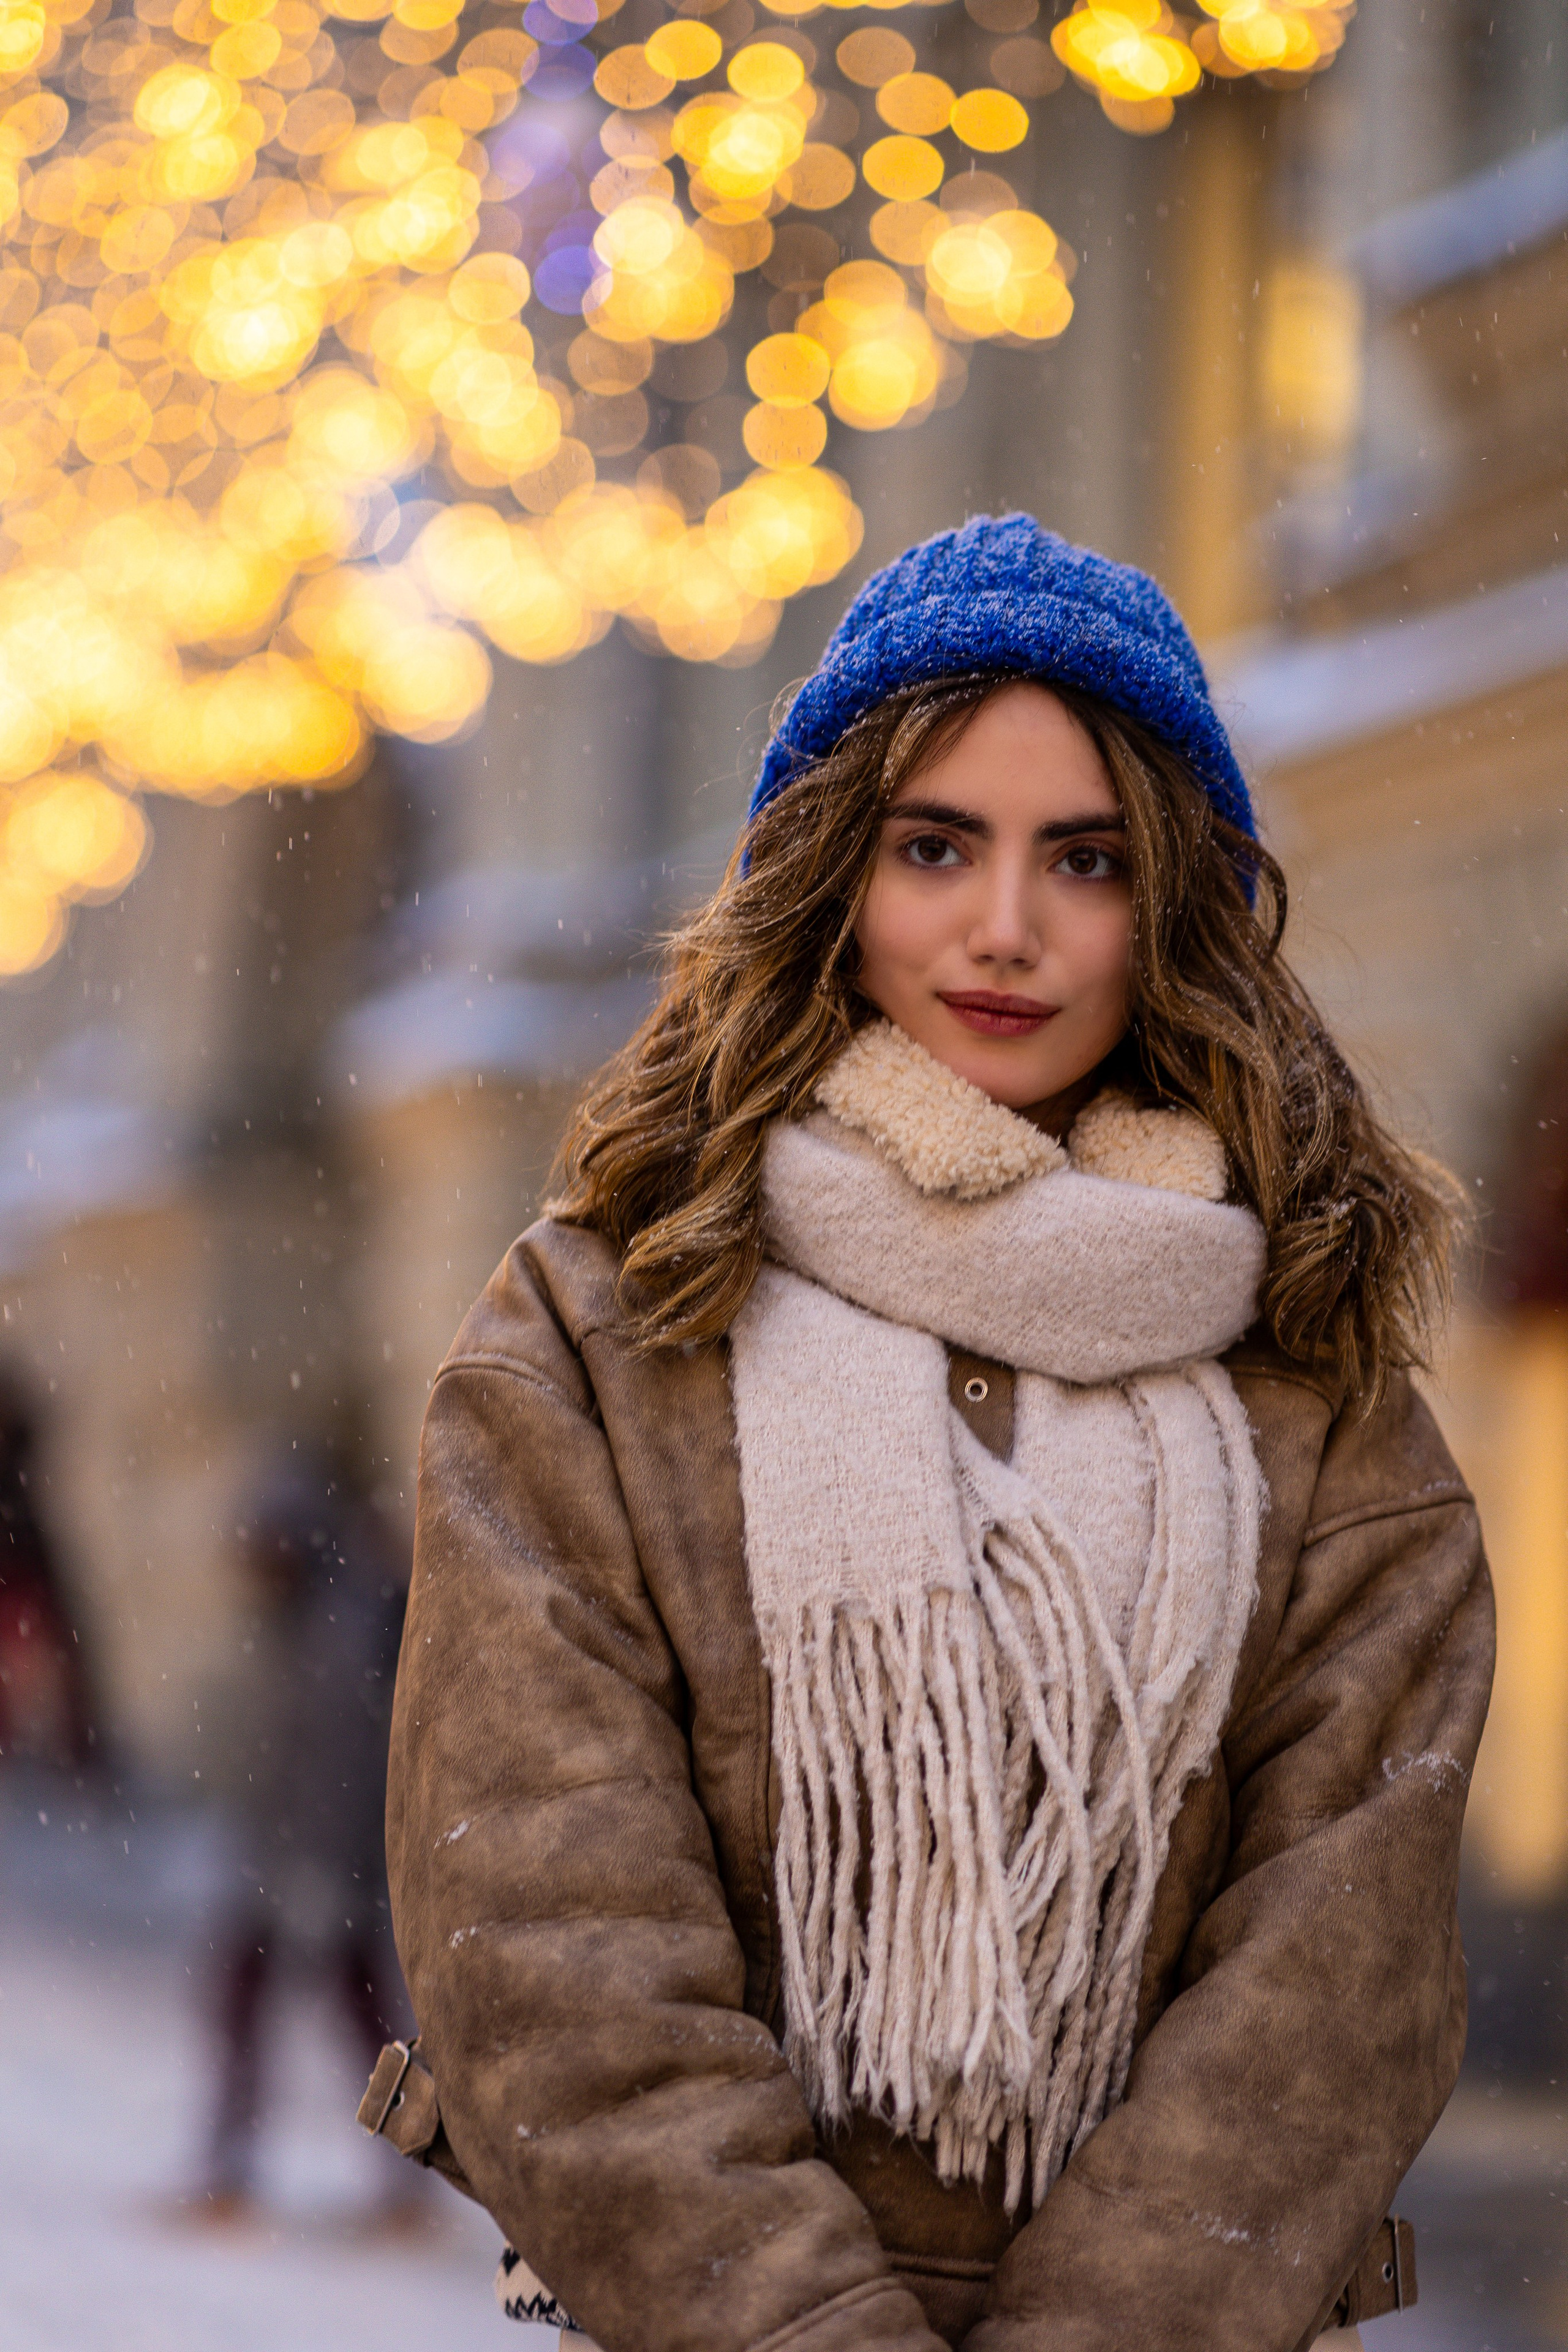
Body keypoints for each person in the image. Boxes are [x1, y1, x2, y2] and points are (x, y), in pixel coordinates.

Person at [374, 518, 1494, 2352]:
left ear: (1173, 908)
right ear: (831, 877)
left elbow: (1327, 1992)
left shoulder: (1317, 1385)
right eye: (931, 846)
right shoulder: (602, 1330)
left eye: (1085, 859)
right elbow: (556, 1946)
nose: (1003, 927)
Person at [200, 1449, 409, 2215]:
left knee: (359, 2018)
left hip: (320, 1867)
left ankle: (406, 2176)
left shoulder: (338, 1629)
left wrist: (327, 1876)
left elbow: (341, 1768)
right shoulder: (302, 1617)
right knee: (281, 2006)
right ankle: (233, 2164)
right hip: (289, 1861)